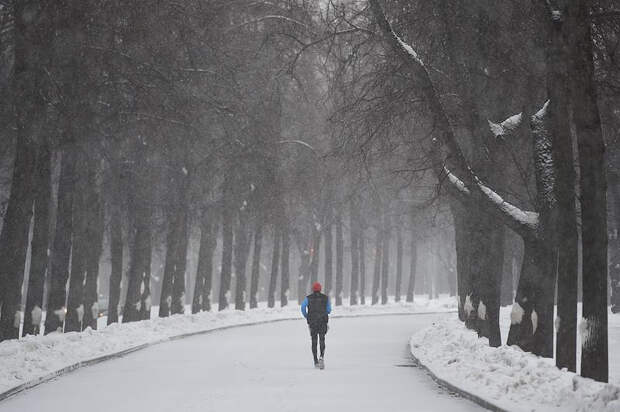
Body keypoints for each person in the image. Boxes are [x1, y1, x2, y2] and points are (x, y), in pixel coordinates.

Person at [301, 282, 332, 369]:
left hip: (313, 322)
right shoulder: (325, 298)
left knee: (314, 341)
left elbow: (303, 307)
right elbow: (329, 310)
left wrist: (306, 315)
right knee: (322, 339)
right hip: (322, 321)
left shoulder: (308, 298)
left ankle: (315, 361)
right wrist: (324, 312)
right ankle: (321, 357)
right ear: (320, 289)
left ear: (313, 289)